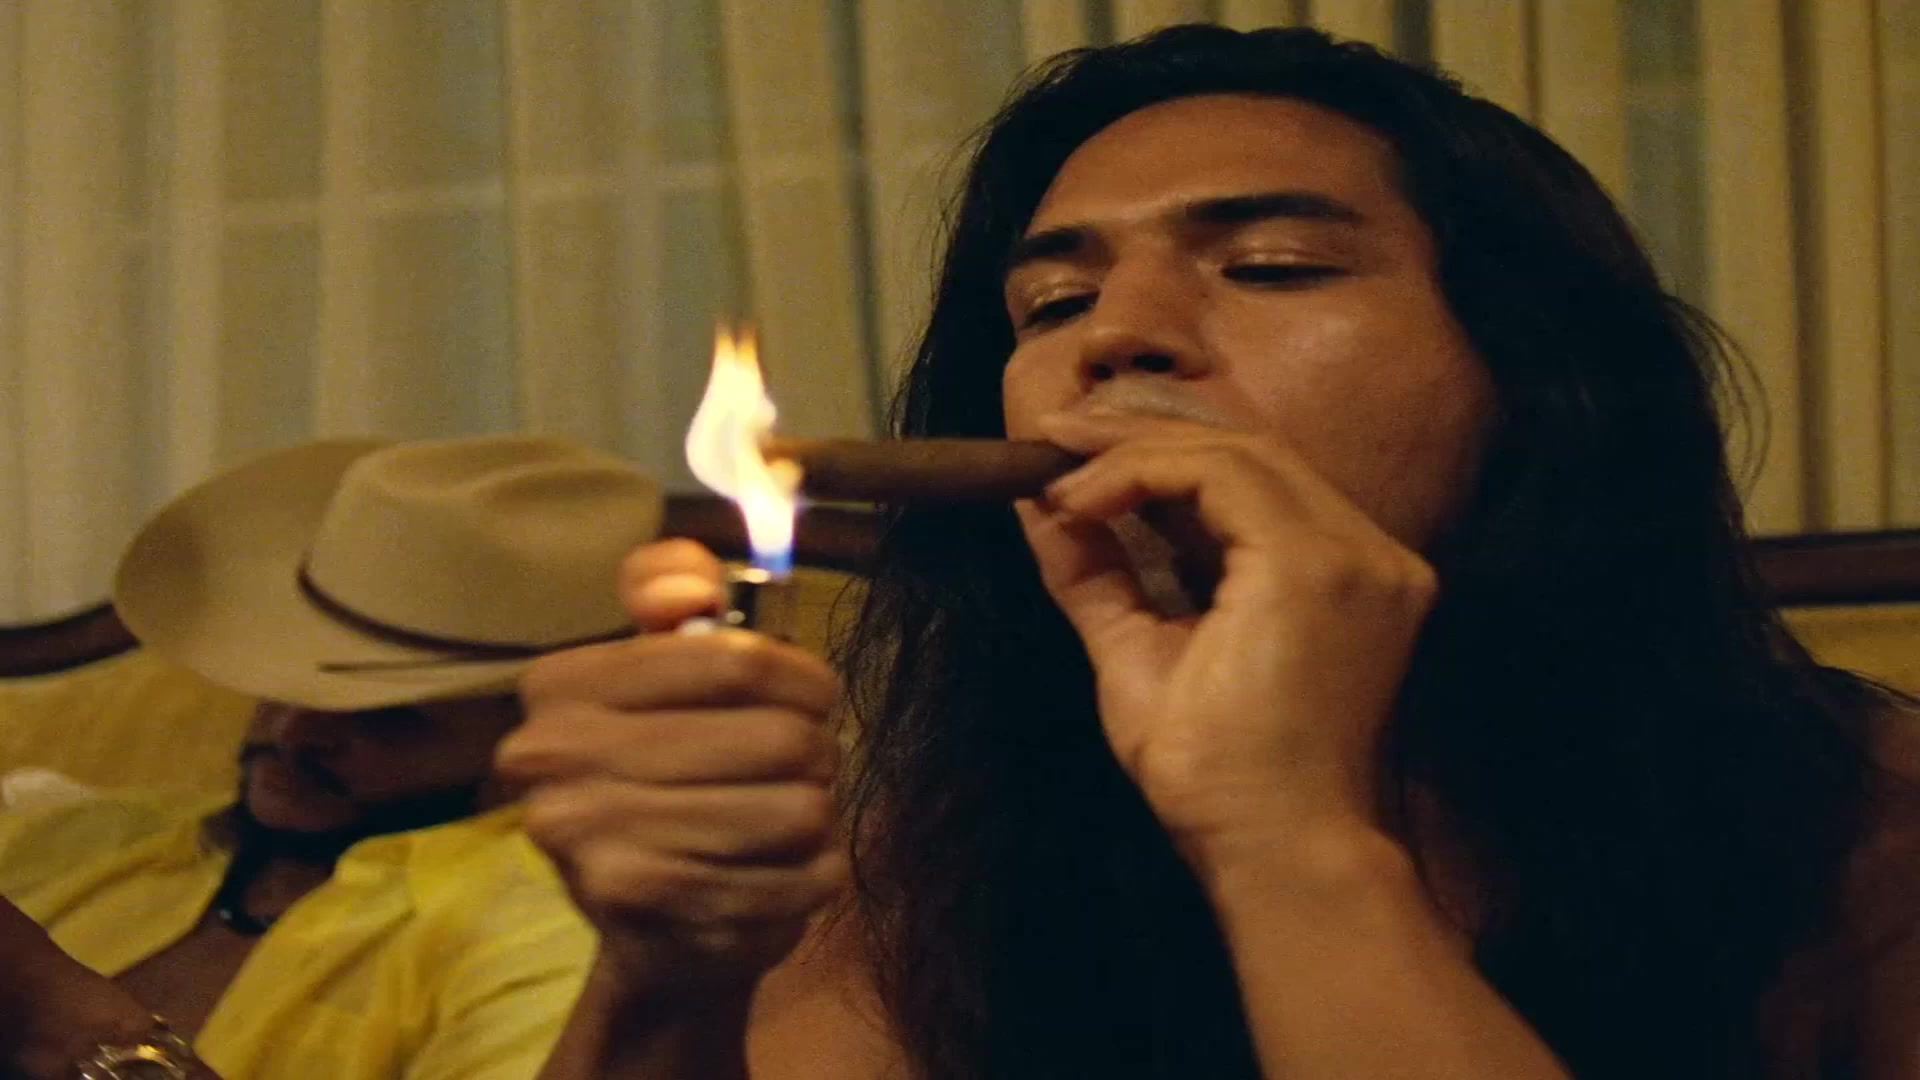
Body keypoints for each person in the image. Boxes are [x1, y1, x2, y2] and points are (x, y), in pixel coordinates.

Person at [510, 25, 1920, 1080]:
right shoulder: (955, 857)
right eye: (1052, 304)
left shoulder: (1856, 825)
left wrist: (1281, 831)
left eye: (1272, 269)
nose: (1118, 335)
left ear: (1534, 376)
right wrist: (663, 982)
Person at [0, 435, 663, 1079]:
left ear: (538, 734)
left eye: (385, 717)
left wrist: (72, 1023)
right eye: (287, 685)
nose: (295, 733)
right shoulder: (76, 841)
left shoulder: (550, 935)